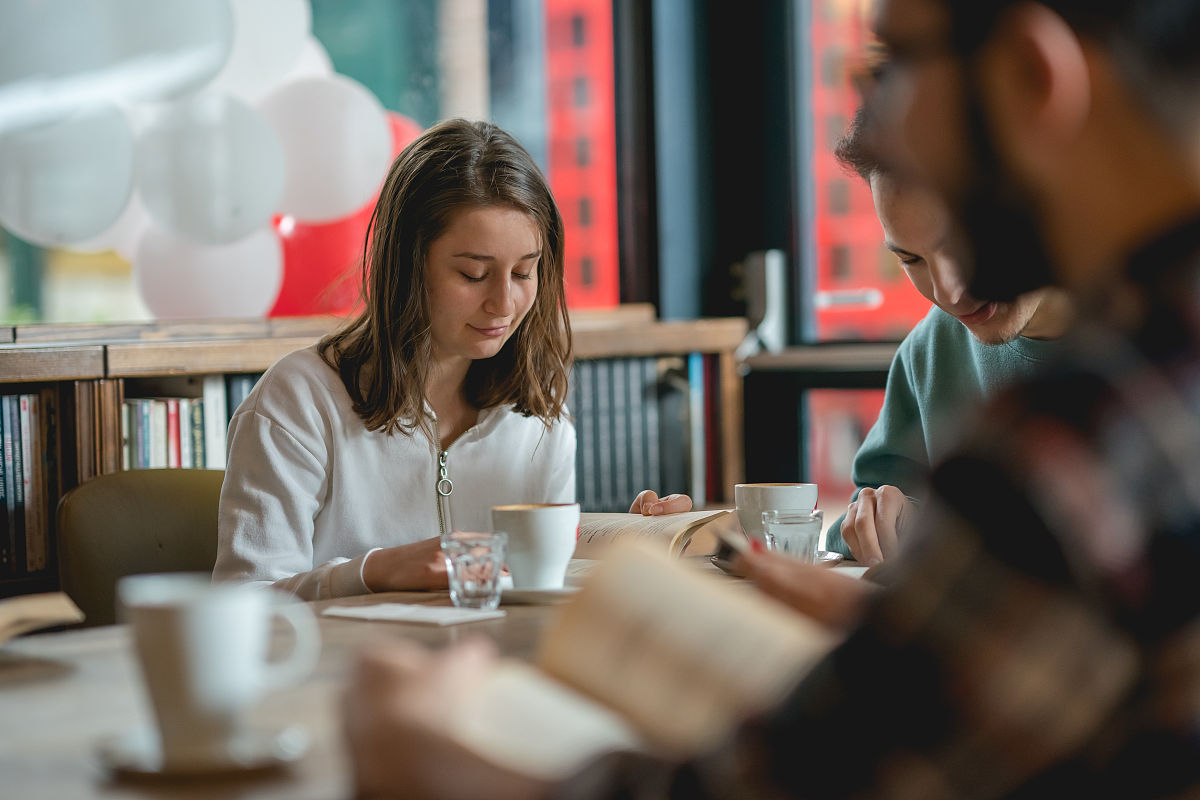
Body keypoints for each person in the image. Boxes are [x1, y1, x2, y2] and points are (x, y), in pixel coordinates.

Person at [342, 0, 1200, 796]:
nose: (884, 121)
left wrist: (427, 751)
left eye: (895, 66)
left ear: (1030, 78)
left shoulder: (1101, 426)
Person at [213, 119, 576, 600]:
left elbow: (545, 592)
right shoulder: (298, 400)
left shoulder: (541, 418)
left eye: (525, 272)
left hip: (486, 668)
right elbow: (243, 600)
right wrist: (371, 572)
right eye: (472, 274)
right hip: (342, 672)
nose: (504, 304)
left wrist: (634, 541)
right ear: (407, 263)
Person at [825, 107, 1074, 564]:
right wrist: (886, 522)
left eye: (958, 244)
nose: (948, 293)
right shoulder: (928, 352)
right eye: (911, 260)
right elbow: (860, 521)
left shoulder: (1155, 339)